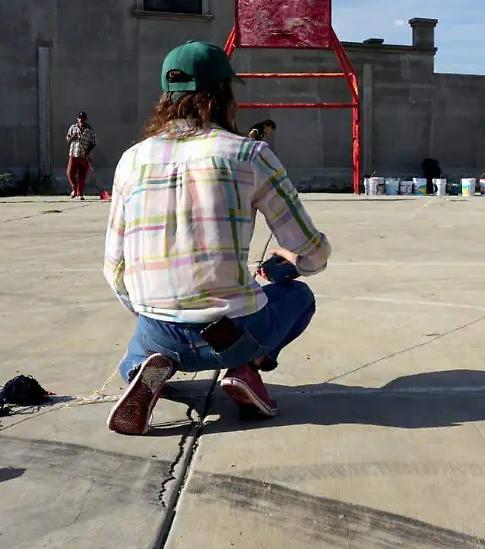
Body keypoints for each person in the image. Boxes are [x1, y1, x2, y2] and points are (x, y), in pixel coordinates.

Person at [103, 40, 331, 435]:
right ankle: (245, 368)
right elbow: (311, 251)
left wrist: (152, 309)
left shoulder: (132, 160)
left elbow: (114, 268)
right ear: (223, 94)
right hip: (234, 331)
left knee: (134, 357)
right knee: (299, 298)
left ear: (166, 96)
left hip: (160, 329)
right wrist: (295, 263)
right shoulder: (250, 154)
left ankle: (146, 369)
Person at [65, 111, 97, 199]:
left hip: (85, 155)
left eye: (83, 118)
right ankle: (75, 189)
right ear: (77, 119)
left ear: (85, 119)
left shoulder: (89, 130)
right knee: (70, 173)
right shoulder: (73, 128)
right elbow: (68, 139)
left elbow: (93, 142)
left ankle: (80, 193)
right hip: (74, 153)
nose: (81, 120)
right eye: (79, 118)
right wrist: (73, 136)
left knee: (82, 175)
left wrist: (87, 151)